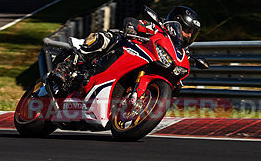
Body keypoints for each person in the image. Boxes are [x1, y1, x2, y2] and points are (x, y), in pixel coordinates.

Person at [46, 6, 201, 97]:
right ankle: (65, 69)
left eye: (191, 32)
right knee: (104, 38)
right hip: (124, 47)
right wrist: (133, 26)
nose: (188, 34)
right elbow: (134, 22)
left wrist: (176, 82)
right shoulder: (157, 27)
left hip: (142, 65)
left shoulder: (181, 52)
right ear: (176, 23)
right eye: (186, 30)